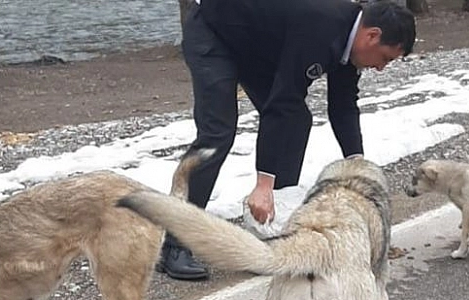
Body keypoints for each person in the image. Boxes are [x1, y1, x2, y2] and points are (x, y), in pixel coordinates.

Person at [158, 0, 417, 280]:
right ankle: (175, 243)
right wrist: (263, 185)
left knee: (298, 120)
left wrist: (358, 164)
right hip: (214, 31)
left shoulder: (350, 42)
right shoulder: (320, 28)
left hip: (255, 44)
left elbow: (343, 106)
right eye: (386, 59)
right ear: (372, 35)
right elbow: (282, 102)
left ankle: (273, 229)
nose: (381, 68)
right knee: (217, 133)